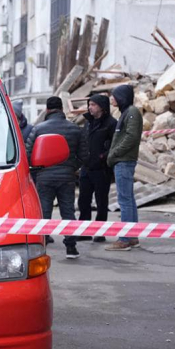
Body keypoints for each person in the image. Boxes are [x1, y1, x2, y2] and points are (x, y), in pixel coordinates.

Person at [26, 96, 89, 259]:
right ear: (62, 109)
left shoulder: (38, 129)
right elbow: (83, 155)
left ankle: (41, 247)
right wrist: (71, 167)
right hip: (67, 177)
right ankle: (71, 247)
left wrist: (38, 169)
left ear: (47, 110)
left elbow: (28, 153)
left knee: (44, 212)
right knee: (68, 211)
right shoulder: (74, 128)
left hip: (44, 177)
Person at [106, 84, 143, 252]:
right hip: (123, 160)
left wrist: (114, 153)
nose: (111, 99)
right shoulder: (126, 113)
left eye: (114, 96)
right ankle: (132, 236)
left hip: (124, 161)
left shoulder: (132, 112)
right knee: (129, 199)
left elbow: (131, 137)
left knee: (125, 201)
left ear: (121, 97)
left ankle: (125, 238)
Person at [78, 95, 117, 243]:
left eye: (93, 105)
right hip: (87, 168)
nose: (90, 107)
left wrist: (103, 157)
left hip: (102, 169)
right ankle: (84, 231)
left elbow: (115, 145)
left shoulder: (111, 124)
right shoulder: (88, 122)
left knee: (101, 202)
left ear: (102, 106)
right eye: (89, 104)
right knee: (83, 201)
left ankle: (100, 232)